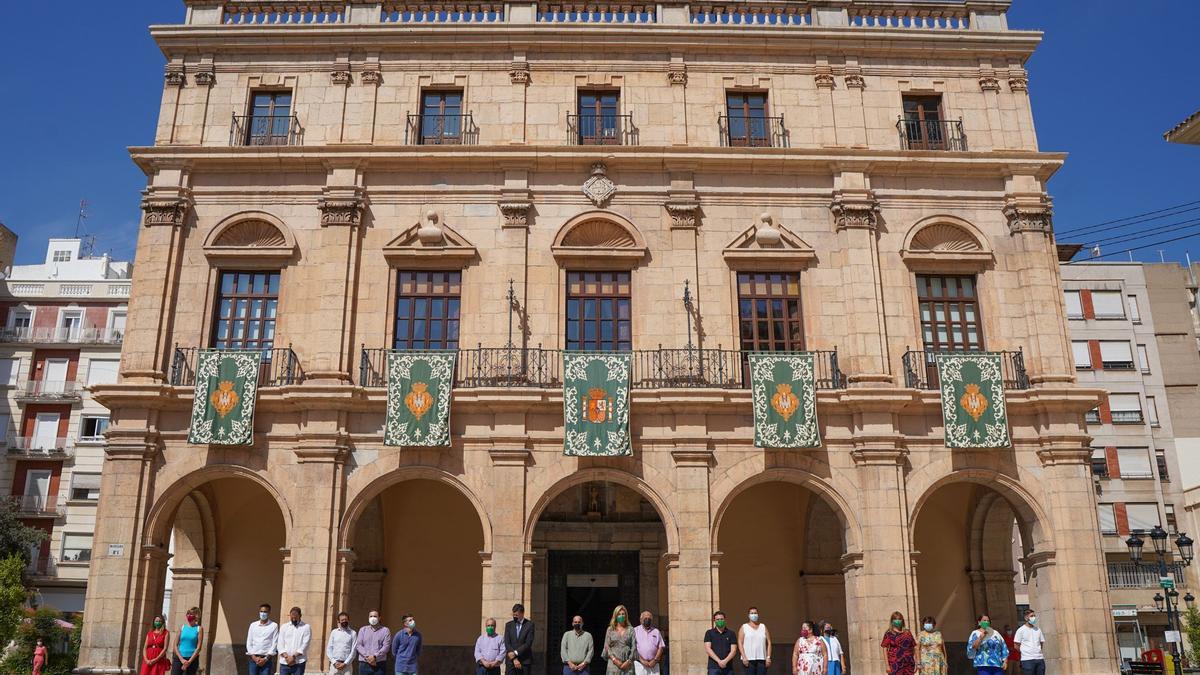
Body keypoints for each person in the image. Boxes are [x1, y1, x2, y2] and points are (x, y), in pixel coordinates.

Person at [602, 605, 636, 675]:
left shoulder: (631, 629)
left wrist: (628, 661)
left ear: (626, 616)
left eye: (623, 614)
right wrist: (614, 660)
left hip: (627, 665)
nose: (621, 616)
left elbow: (634, 647)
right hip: (613, 665)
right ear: (615, 616)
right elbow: (606, 646)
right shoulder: (610, 629)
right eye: (619, 614)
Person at [355, 609, 391, 675]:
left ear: (379, 618)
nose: (373, 618)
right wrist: (368, 657)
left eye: (375, 616)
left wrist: (374, 657)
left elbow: (386, 646)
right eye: (371, 616)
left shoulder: (385, 630)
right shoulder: (363, 630)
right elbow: (358, 645)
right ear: (368, 618)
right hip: (364, 664)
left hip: (379, 664)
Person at [278, 606, 312, 675]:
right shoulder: (284, 627)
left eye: (295, 617)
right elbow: (280, 644)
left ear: (300, 616)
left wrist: (293, 657)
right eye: (291, 617)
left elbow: (305, 644)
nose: (293, 619)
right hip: (285, 662)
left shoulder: (306, 627)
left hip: (299, 662)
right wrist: (287, 657)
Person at [246, 604, 279, 675]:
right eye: (261, 611)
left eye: (265, 612)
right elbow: (249, 642)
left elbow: (274, 643)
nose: (263, 613)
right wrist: (254, 657)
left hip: (266, 659)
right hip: (253, 659)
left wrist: (265, 659)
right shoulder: (253, 625)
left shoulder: (274, 626)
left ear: (269, 612)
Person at [738, 606, 772, 675]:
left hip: (762, 659)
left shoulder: (763, 626)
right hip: (748, 659)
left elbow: (769, 642)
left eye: (755, 613)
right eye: (752, 613)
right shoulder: (744, 627)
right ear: (748, 615)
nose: (754, 615)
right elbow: (740, 642)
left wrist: (768, 657)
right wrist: (744, 657)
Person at [880, 611, 915, 675]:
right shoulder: (889, 634)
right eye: (895, 619)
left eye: (899, 619)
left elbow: (913, 646)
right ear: (892, 621)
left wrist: (915, 660)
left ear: (902, 620)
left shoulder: (907, 632)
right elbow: (884, 648)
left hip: (908, 664)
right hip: (895, 663)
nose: (898, 621)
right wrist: (887, 665)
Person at [1012, 610, 1046, 675]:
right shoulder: (1020, 630)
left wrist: (1037, 650)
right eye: (1031, 616)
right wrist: (1025, 651)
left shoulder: (1038, 629)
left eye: (1034, 616)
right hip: (1027, 660)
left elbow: (1041, 643)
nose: (1034, 618)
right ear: (1026, 618)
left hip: (1039, 659)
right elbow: (1016, 645)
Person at [704, 611, 737, 675]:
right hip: (714, 667)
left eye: (721, 619)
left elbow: (734, 650)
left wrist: (725, 661)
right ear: (714, 620)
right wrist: (719, 661)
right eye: (718, 619)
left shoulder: (731, 633)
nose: (720, 621)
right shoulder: (709, 633)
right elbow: (708, 649)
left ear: (725, 620)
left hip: (728, 667)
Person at [505, 603, 536, 673]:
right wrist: (514, 659)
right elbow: (507, 643)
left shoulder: (529, 625)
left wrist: (515, 653)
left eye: (516, 615)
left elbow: (528, 643)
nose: (514, 617)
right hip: (511, 661)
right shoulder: (509, 625)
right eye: (513, 615)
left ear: (522, 614)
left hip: (524, 661)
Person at [173, 607, 204, 675]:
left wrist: (189, 662)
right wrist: (181, 659)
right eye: (188, 613)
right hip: (179, 658)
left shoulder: (199, 628)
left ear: (196, 616)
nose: (189, 615)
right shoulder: (182, 627)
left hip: (192, 659)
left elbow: (198, 648)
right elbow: (175, 645)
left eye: (191, 614)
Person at [634, 611, 665, 675]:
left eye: (649, 619)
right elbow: (633, 648)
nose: (647, 620)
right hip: (640, 664)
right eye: (645, 618)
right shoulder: (635, 631)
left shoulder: (656, 631)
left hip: (654, 665)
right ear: (640, 620)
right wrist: (642, 660)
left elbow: (661, 647)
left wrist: (655, 660)